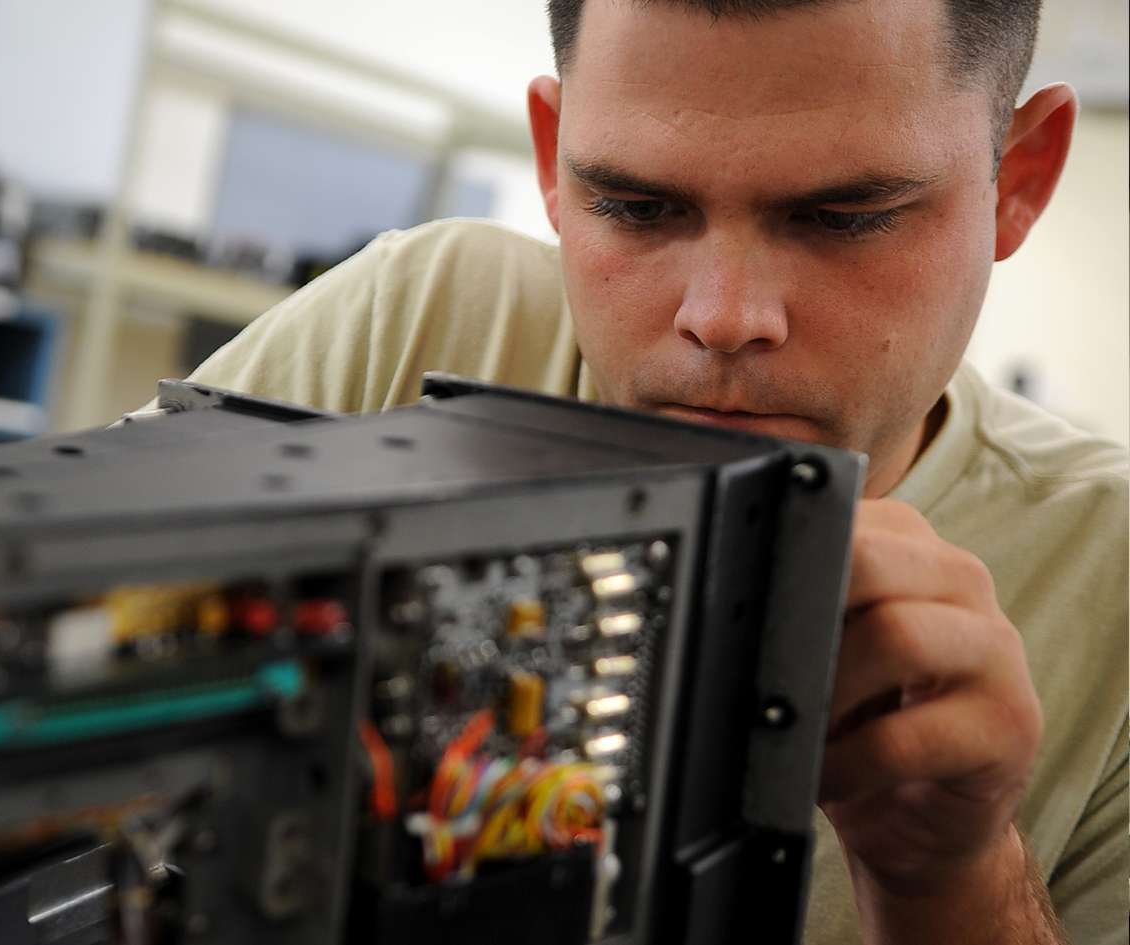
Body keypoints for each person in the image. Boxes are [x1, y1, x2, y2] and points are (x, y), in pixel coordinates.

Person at [169, 0, 1129, 941]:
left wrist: (954, 877)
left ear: (1020, 179)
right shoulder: (410, 331)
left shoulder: (1110, 580)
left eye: (844, 217)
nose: (722, 315)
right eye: (635, 207)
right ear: (553, 158)